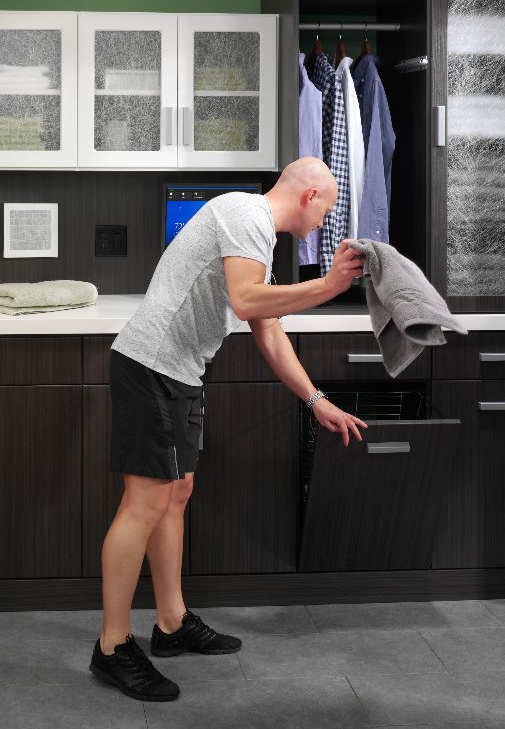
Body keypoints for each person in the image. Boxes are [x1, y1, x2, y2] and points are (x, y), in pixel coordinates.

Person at [89, 157, 369, 702]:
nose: (323, 225)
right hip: (152, 367)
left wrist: (316, 400)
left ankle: (170, 625)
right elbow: (247, 302)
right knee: (142, 505)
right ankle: (111, 647)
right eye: (327, 211)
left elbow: (268, 328)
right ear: (310, 195)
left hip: (180, 371)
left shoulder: (256, 232)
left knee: (177, 494)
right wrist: (329, 285)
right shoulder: (246, 213)